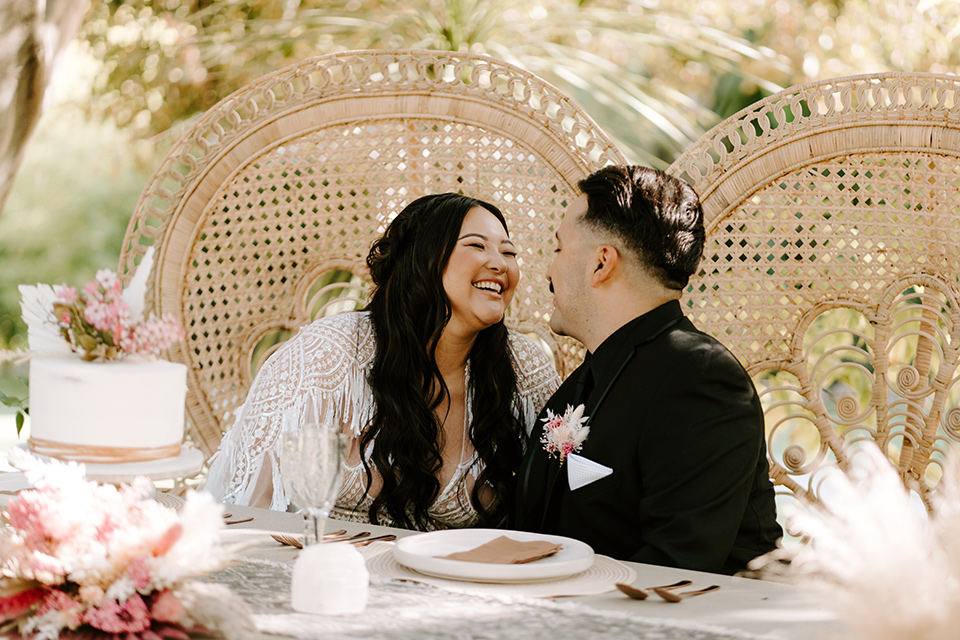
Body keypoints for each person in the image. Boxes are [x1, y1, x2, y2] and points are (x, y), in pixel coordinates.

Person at [204, 193, 560, 530]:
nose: (500, 264)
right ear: (422, 259)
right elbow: (244, 507)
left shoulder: (523, 368)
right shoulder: (329, 354)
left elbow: (559, 510)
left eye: (509, 252)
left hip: (459, 586)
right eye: (476, 245)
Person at [513, 165, 782, 574]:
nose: (548, 270)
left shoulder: (701, 378)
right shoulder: (580, 385)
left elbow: (677, 567)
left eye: (559, 249)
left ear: (601, 263)